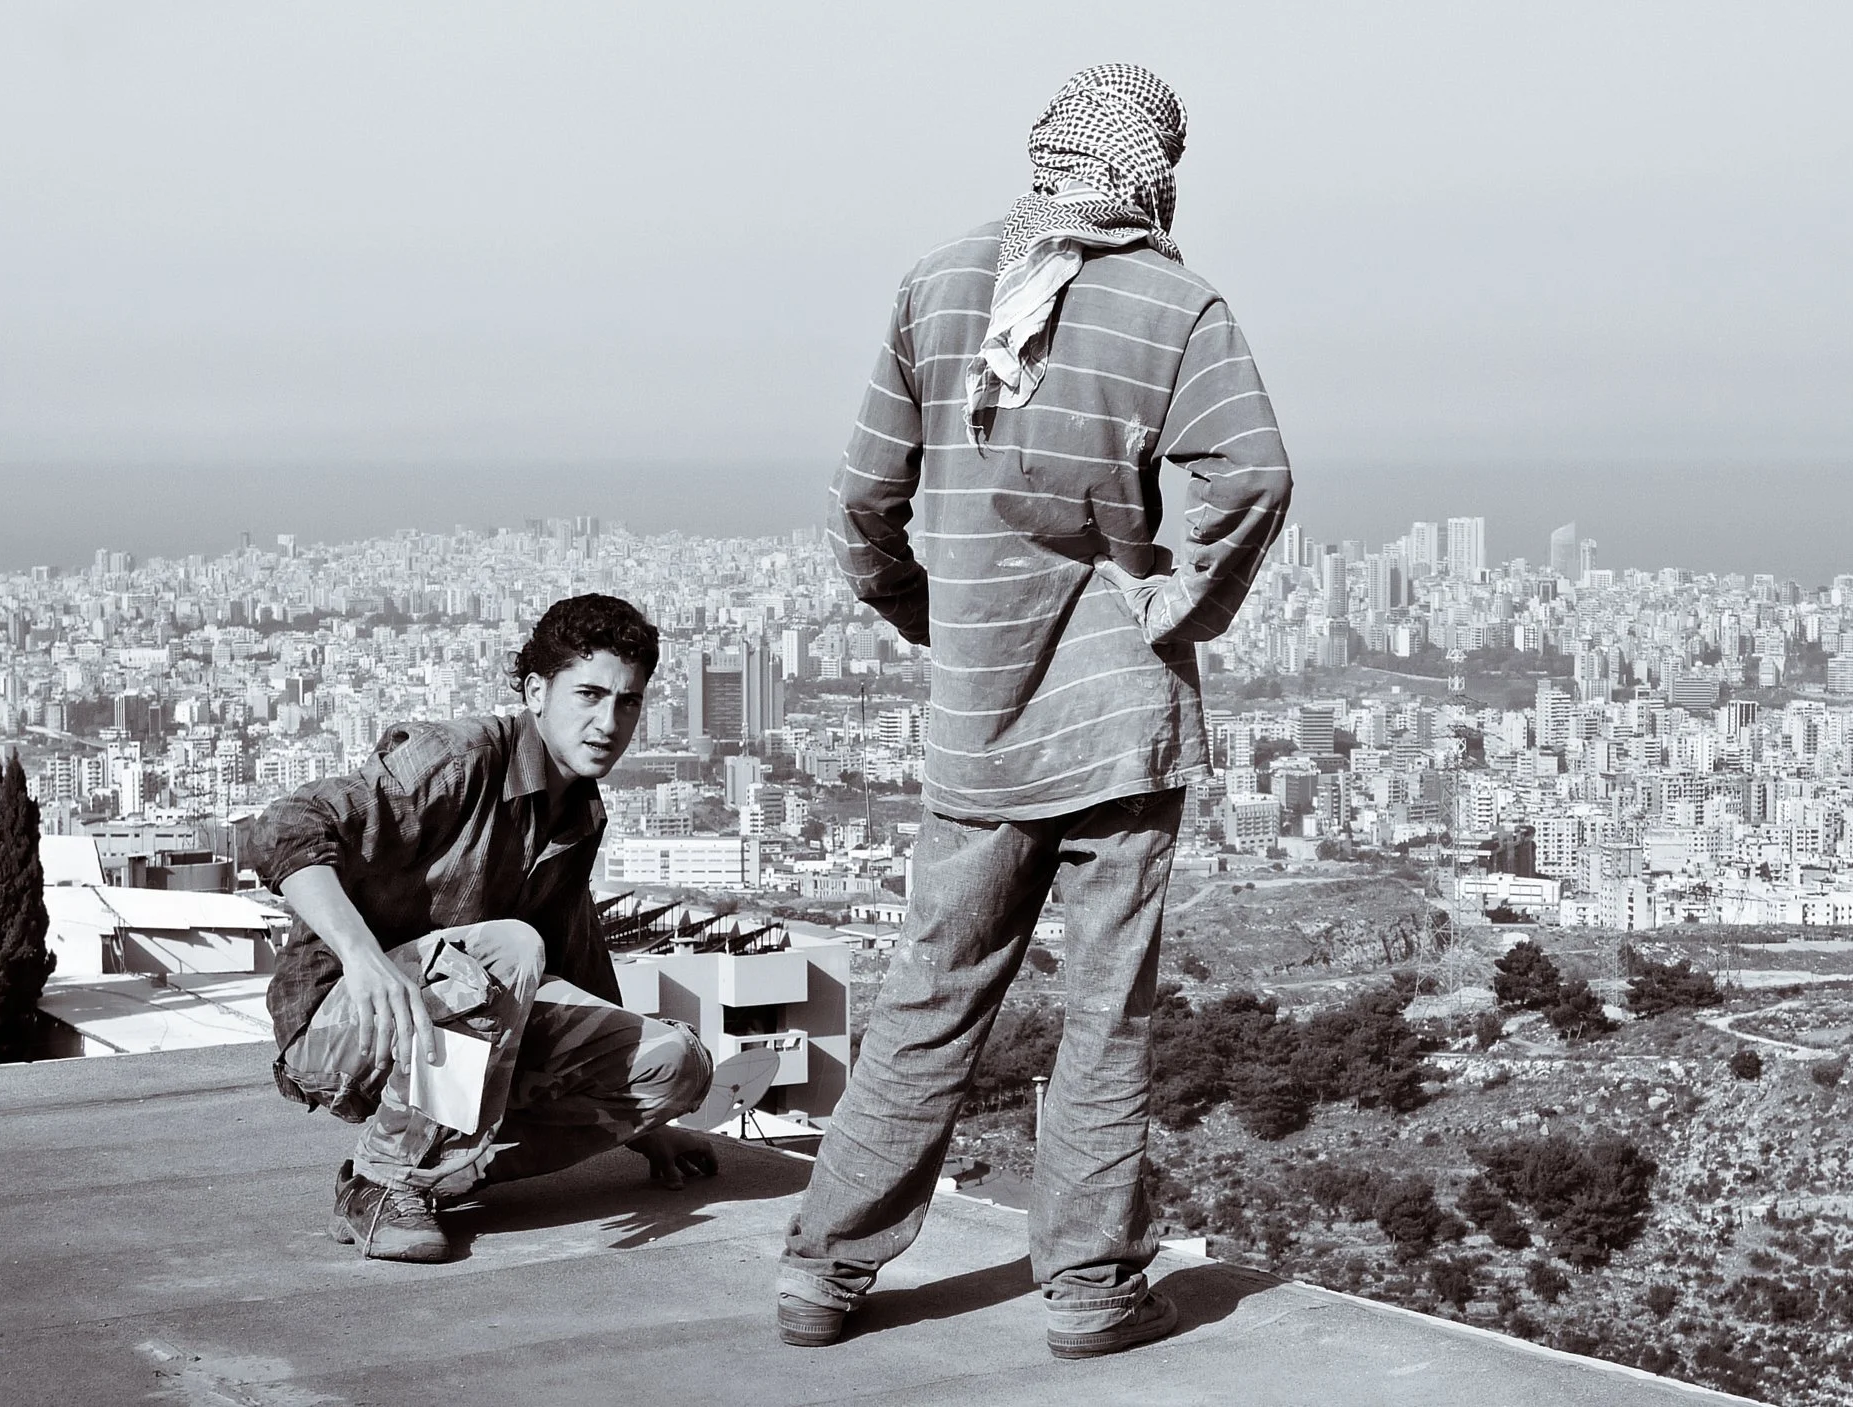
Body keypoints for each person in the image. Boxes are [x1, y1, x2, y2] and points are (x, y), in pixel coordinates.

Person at [777, 63, 1290, 1358]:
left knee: (929, 996)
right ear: (1154, 164)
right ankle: (1087, 1289)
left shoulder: (939, 285)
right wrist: (1179, 603)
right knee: (1106, 1016)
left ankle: (825, 1271)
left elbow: (860, 504)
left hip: (978, 723)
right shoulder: (1175, 302)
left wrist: (934, 622)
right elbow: (1255, 474)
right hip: (1118, 727)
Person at [252, 593, 715, 1262]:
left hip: (464, 1032)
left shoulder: (578, 813)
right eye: (588, 695)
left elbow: (579, 966)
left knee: (677, 1063)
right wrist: (363, 957)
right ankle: (382, 1184)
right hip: (344, 1024)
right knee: (510, 946)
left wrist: (642, 1122)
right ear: (536, 691)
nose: (608, 722)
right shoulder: (459, 757)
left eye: (628, 702)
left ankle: (443, 1174)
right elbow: (285, 827)